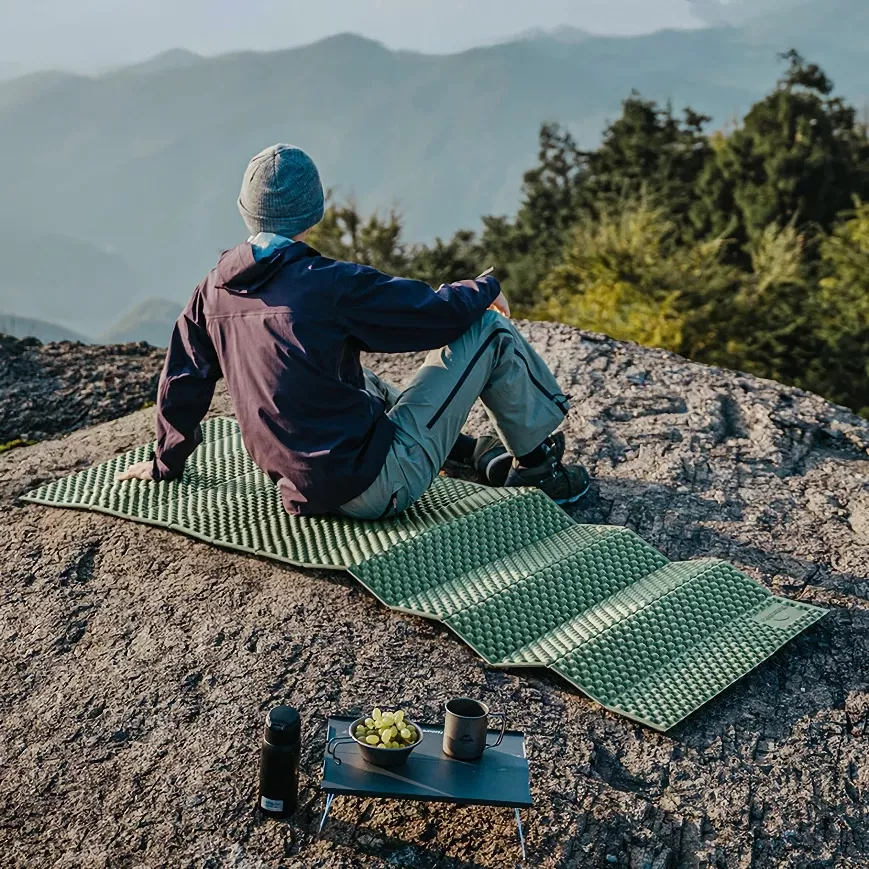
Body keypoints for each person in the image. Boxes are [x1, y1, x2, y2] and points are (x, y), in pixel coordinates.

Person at [117, 144, 591, 518]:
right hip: (374, 488)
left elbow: (182, 379)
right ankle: (538, 469)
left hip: (294, 484)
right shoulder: (329, 284)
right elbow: (433, 316)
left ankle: (464, 452)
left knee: (338, 373)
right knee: (487, 329)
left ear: (245, 209)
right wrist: (484, 287)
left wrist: (165, 461)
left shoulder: (211, 290)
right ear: (314, 212)